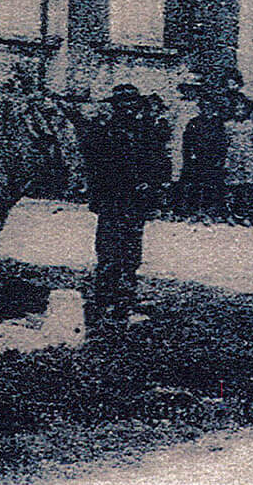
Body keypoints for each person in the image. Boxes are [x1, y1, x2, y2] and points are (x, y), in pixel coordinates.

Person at [64, 85, 170, 327]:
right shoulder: (105, 132)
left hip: (135, 200)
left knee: (130, 252)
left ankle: (124, 300)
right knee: (109, 251)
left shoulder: (146, 131)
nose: (127, 108)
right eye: (122, 104)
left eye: (131, 103)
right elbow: (94, 165)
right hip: (113, 198)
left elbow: (157, 160)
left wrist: (151, 184)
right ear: (115, 107)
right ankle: (104, 300)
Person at [224, 93, 253, 224]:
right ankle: (231, 214)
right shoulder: (228, 125)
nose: (239, 112)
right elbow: (224, 142)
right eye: (236, 109)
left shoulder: (250, 124)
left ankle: (245, 214)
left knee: (247, 187)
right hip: (233, 158)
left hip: (247, 159)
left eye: (242, 109)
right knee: (232, 187)